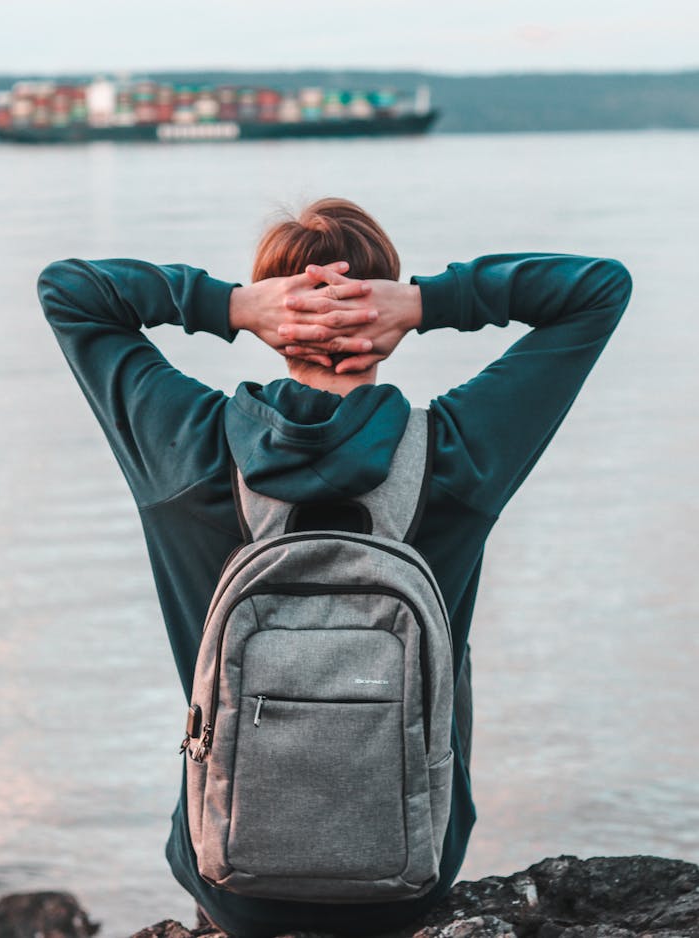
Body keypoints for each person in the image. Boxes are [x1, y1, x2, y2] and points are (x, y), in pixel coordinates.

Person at [38, 197, 632, 938]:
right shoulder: (454, 456)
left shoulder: (186, 448)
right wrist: (428, 302)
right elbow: (598, 288)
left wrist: (224, 305)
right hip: (408, 880)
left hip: (231, 882)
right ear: (383, 313)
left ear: (274, 316)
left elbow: (70, 290)